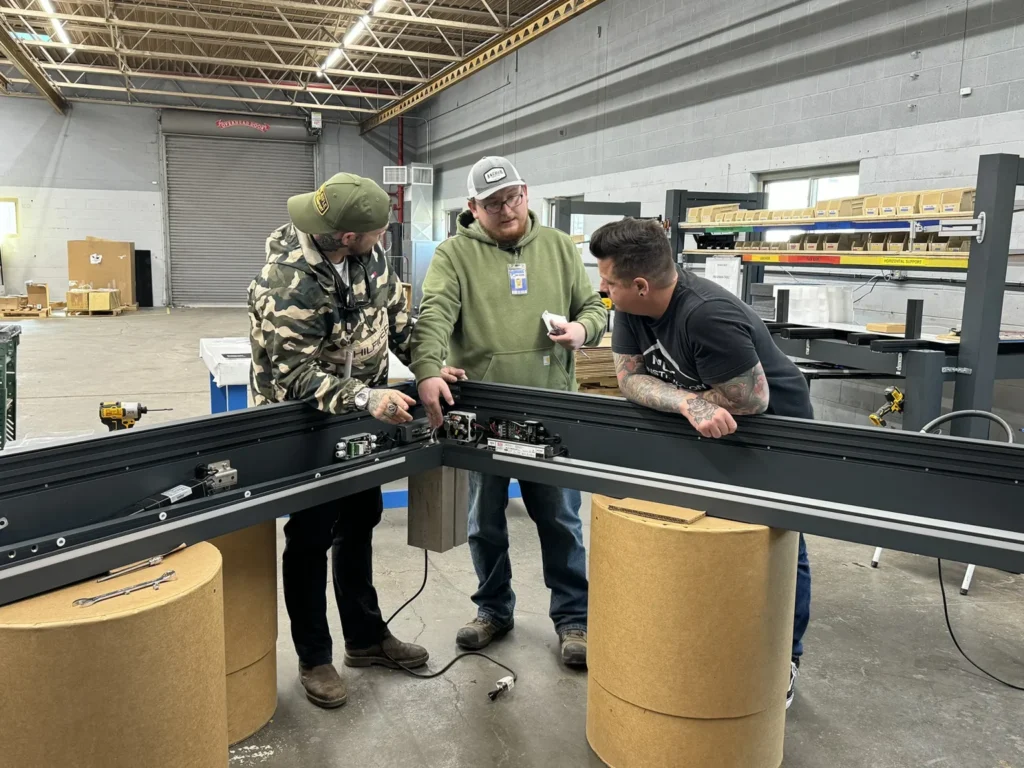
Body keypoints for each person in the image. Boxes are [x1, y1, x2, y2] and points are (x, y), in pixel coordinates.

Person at [248, 172, 463, 709]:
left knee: (360, 518)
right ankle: (315, 657)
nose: (385, 235)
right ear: (346, 235)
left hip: (356, 413)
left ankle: (365, 639)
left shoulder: (372, 259)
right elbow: (293, 376)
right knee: (309, 537)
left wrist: (429, 368)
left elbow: (399, 324)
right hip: (301, 421)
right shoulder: (288, 281)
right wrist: (367, 400)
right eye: (378, 229)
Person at [590, 216, 812, 709]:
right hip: (706, 417)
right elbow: (629, 380)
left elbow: (751, 400)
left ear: (641, 285)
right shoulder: (631, 306)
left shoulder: (705, 315)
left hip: (776, 427)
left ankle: (784, 659)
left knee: (774, 541)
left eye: (607, 282)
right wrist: (689, 403)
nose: (602, 289)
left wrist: (693, 400)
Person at [410, 156, 608, 668]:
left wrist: (583, 331)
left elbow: (595, 306)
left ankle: (573, 619)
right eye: (493, 203)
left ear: (527, 191)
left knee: (561, 519)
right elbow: (434, 314)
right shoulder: (454, 255)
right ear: (472, 207)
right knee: (485, 520)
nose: (507, 210)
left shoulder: (560, 248)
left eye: (514, 197)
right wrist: (428, 368)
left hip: (549, 406)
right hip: (484, 411)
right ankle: (494, 610)